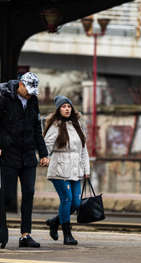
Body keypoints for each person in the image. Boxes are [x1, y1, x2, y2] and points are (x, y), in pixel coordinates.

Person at [0, 72, 49, 248]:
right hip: (9, 154)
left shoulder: (33, 101)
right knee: (7, 197)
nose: (29, 94)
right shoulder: (4, 100)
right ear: (20, 84)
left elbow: (37, 128)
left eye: (32, 91)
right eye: (27, 90)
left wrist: (43, 153)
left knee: (29, 193)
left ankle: (25, 235)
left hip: (28, 156)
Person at [43, 95, 90, 245]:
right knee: (67, 199)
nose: (67, 109)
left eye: (68, 106)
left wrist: (86, 169)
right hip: (60, 169)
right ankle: (67, 235)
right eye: (63, 106)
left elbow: (84, 150)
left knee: (76, 203)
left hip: (75, 170)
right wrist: (44, 156)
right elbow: (46, 144)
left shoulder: (77, 125)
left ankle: (54, 221)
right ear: (58, 110)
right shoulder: (55, 126)